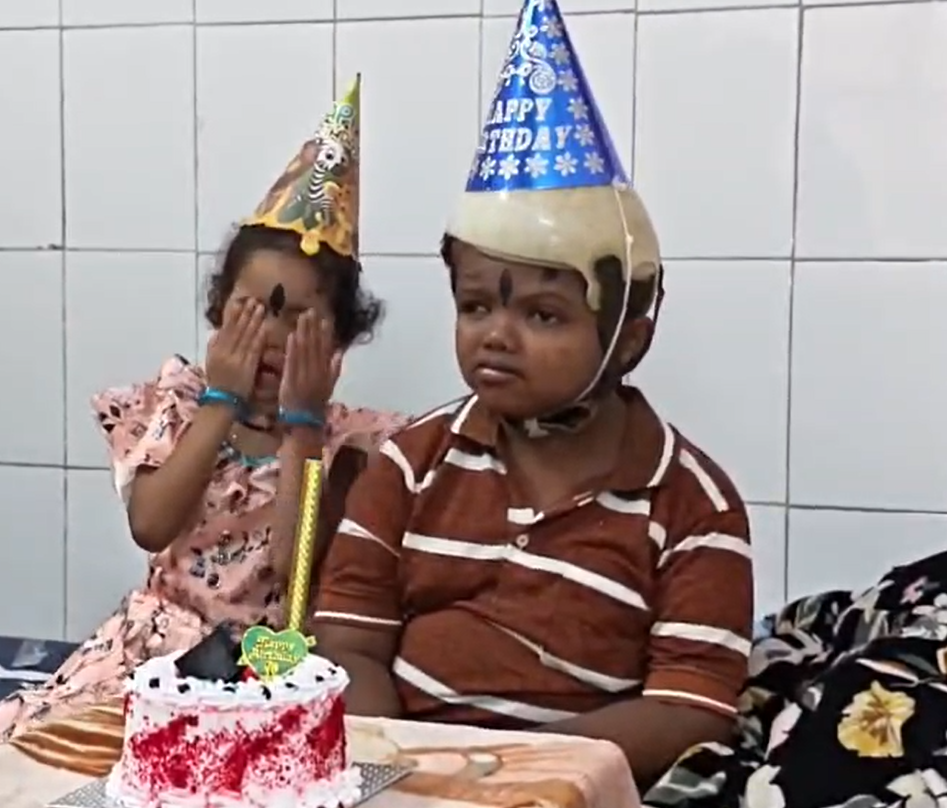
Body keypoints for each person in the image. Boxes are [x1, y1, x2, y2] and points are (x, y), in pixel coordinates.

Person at [310, 0, 754, 790]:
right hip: (404, 777)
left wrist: (524, 778)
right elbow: (350, 643)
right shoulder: (409, 466)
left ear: (630, 332)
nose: (495, 335)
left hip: (577, 786)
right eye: (476, 304)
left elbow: (691, 705)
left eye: (541, 313)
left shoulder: (694, 504)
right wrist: (402, 766)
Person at [0, 75, 406, 748]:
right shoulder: (180, 401)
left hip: (265, 663)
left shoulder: (351, 445)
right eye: (251, 311)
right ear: (216, 311)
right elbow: (151, 525)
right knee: (17, 739)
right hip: (152, 649)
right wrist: (219, 402)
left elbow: (297, 573)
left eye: (299, 322)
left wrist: (302, 425)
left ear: (339, 344)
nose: (269, 336)